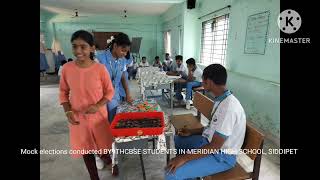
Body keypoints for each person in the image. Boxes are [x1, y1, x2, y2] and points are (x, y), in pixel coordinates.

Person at [165, 64, 246, 180]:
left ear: (209, 81)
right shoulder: (221, 99)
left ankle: (185, 170)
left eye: (203, 79)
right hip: (208, 142)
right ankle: (190, 174)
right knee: (179, 139)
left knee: (171, 173)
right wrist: (192, 132)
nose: (201, 82)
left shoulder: (229, 108)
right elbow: (213, 128)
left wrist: (184, 158)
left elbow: (215, 146)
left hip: (221, 156)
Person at [59, 30, 114, 180]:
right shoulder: (67, 69)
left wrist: (98, 106)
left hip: (98, 117)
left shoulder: (100, 69)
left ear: (92, 48)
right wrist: (68, 112)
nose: (78, 51)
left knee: (103, 148)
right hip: (78, 118)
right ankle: (94, 177)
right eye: (74, 46)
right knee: (86, 150)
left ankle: (110, 164)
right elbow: (63, 93)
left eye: (83, 47)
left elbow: (109, 92)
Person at [95, 32, 133, 175]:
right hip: (98, 97)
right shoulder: (100, 58)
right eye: (122, 50)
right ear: (115, 46)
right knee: (99, 126)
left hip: (114, 95)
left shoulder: (122, 60)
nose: (124, 54)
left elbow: (123, 77)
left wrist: (128, 93)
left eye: (126, 51)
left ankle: (111, 154)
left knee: (112, 125)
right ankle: (98, 155)